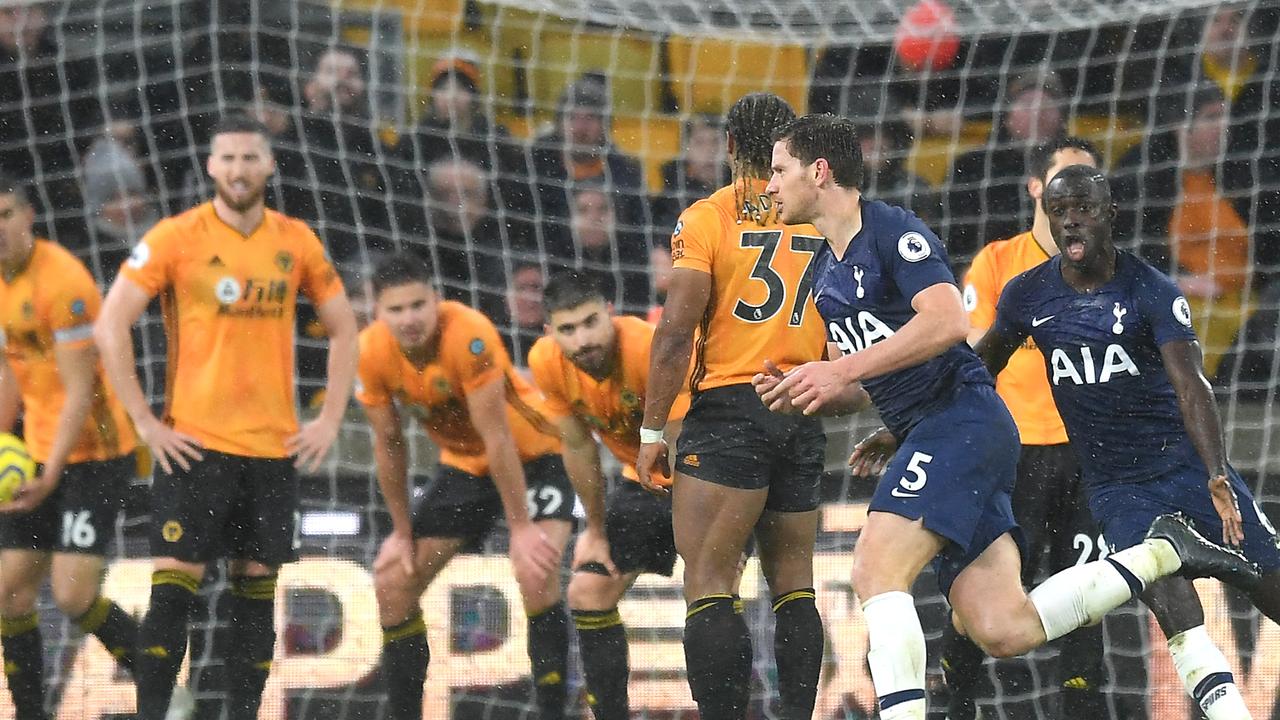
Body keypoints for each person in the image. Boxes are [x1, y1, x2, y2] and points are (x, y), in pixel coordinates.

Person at [758, 114, 1257, 720]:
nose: (769, 184)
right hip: (936, 431)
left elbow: (946, 324)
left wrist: (842, 372)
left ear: (819, 171)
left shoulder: (890, 232)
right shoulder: (825, 275)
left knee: (873, 569)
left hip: (961, 420)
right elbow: (861, 379)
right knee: (1001, 625)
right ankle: (1155, 556)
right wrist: (809, 384)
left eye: (779, 169)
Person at [969, 164, 1280, 719]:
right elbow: (979, 369)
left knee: (1270, 586)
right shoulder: (1027, 295)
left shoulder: (1149, 290)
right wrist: (910, 428)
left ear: (1109, 213)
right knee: (1172, 604)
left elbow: (1192, 386)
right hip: (1117, 487)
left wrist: (1216, 473)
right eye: (1059, 211)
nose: (1070, 223)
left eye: (1082, 209)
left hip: (1186, 469)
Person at [93, 114, 359, 720]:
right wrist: (144, 421)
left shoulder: (297, 241)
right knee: (169, 603)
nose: (239, 169)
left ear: (269, 165)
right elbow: (111, 324)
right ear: (211, 167)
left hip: (271, 451)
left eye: (250, 158)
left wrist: (329, 419)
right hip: (195, 447)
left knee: (255, 604)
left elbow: (345, 327)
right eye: (228, 159)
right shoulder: (174, 237)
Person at [869, 137, 1112, 718]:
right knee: (987, 594)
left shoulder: (1114, 272)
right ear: (1037, 188)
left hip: (1088, 453)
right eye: (1067, 177)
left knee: (1084, 594)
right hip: (1014, 452)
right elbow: (971, 360)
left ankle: (1082, 710)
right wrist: (910, 428)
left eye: (1090, 181)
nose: (1079, 194)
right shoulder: (1000, 264)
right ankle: (954, 697)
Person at [635, 92, 829, 720]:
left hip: (731, 405)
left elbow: (674, 332)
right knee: (795, 580)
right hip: (801, 402)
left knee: (711, 580)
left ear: (727, 148)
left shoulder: (708, 218)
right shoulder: (821, 217)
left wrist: (651, 430)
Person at [354, 252, 570, 720]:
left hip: (536, 454)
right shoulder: (370, 353)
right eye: (396, 310)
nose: (409, 319)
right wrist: (401, 530)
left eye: (417, 305)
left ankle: (554, 711)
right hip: (467, 466)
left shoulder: (469, 334)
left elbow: (498, 436)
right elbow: (389, 446)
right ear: (377, 312)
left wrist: (520, 527)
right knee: (393, 583)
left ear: (436, 300)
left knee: (535, 573)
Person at [0, 173, 183, 719]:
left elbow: (80, 391)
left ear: (29, 216)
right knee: (8, 595)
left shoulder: (64, 283)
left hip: (95, 454)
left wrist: (51, 472)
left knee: (74, 597)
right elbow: (10, 369)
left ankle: (166, 691)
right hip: (37, 450)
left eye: (7, 215)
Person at [527, 270, 690, 720]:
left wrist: (706, 531)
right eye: (568, 329)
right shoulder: (546, 362)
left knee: (712, 591)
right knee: (587, 591)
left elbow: (683, 439)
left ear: (612, 315)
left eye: (590, 322)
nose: (582, 340)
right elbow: (579, 447)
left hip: (709, 477)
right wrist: (595, 531)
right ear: (550, 333)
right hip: (642, 480)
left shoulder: (649, 348)